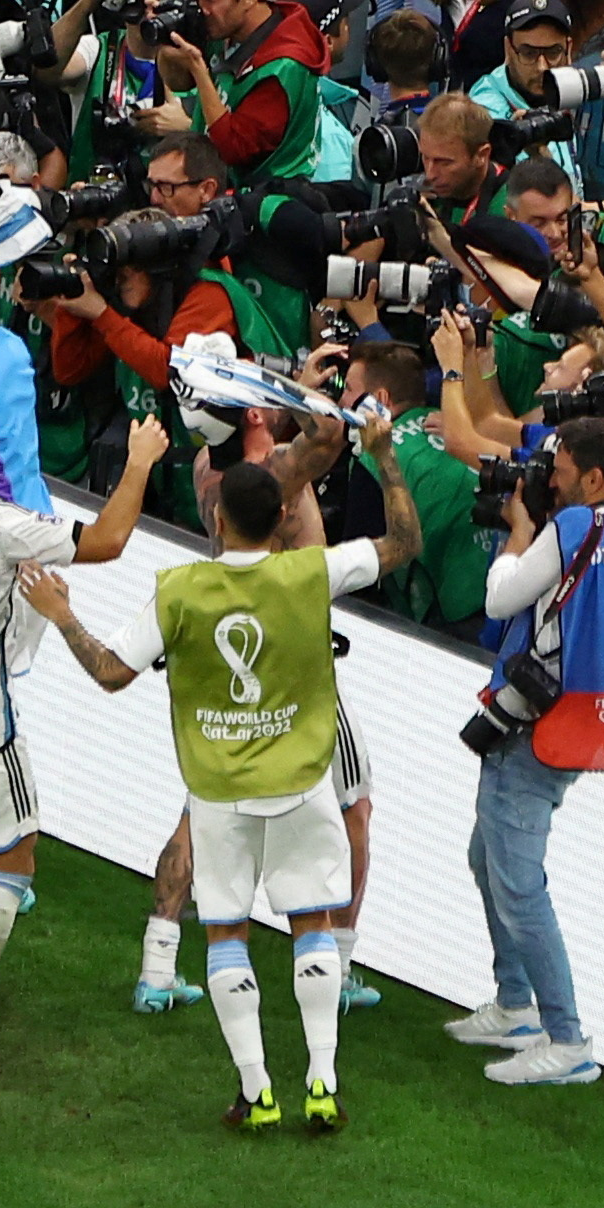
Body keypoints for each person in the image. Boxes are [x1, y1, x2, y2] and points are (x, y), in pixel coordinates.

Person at [152, 442, 403, 1124]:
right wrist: (381, 454)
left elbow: (114, 667)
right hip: (298, 748)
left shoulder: (184, 578)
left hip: (223, 759)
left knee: (224, 916)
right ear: (285, 514)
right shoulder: (309, 567)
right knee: (319, 897)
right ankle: (322, 1072)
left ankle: (251, 1083)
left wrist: (62, 615)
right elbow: (400, 539)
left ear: (218, 519)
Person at [457, 412, 604, 1089]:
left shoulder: (575, 526)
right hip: (585, 718)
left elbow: (500, 600)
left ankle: (567, 1039)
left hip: (534, 723)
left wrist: (519, 534)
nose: (551, 479)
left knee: (519, 884)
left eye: (563, 469)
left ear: (595, 478)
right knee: (487, 858)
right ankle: (514, 1003)